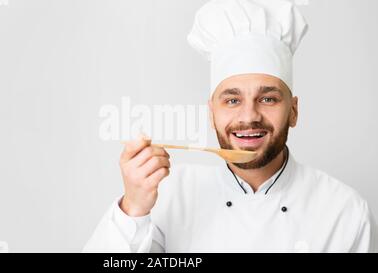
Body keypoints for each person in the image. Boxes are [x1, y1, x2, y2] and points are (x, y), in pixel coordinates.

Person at [83, 0, 377, 252]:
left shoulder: (345, 210)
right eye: (232, 100)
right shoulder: (169, 195)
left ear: (294, 111)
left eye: (269, 98)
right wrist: (133, 208)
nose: (249, 116)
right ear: (212, 114)